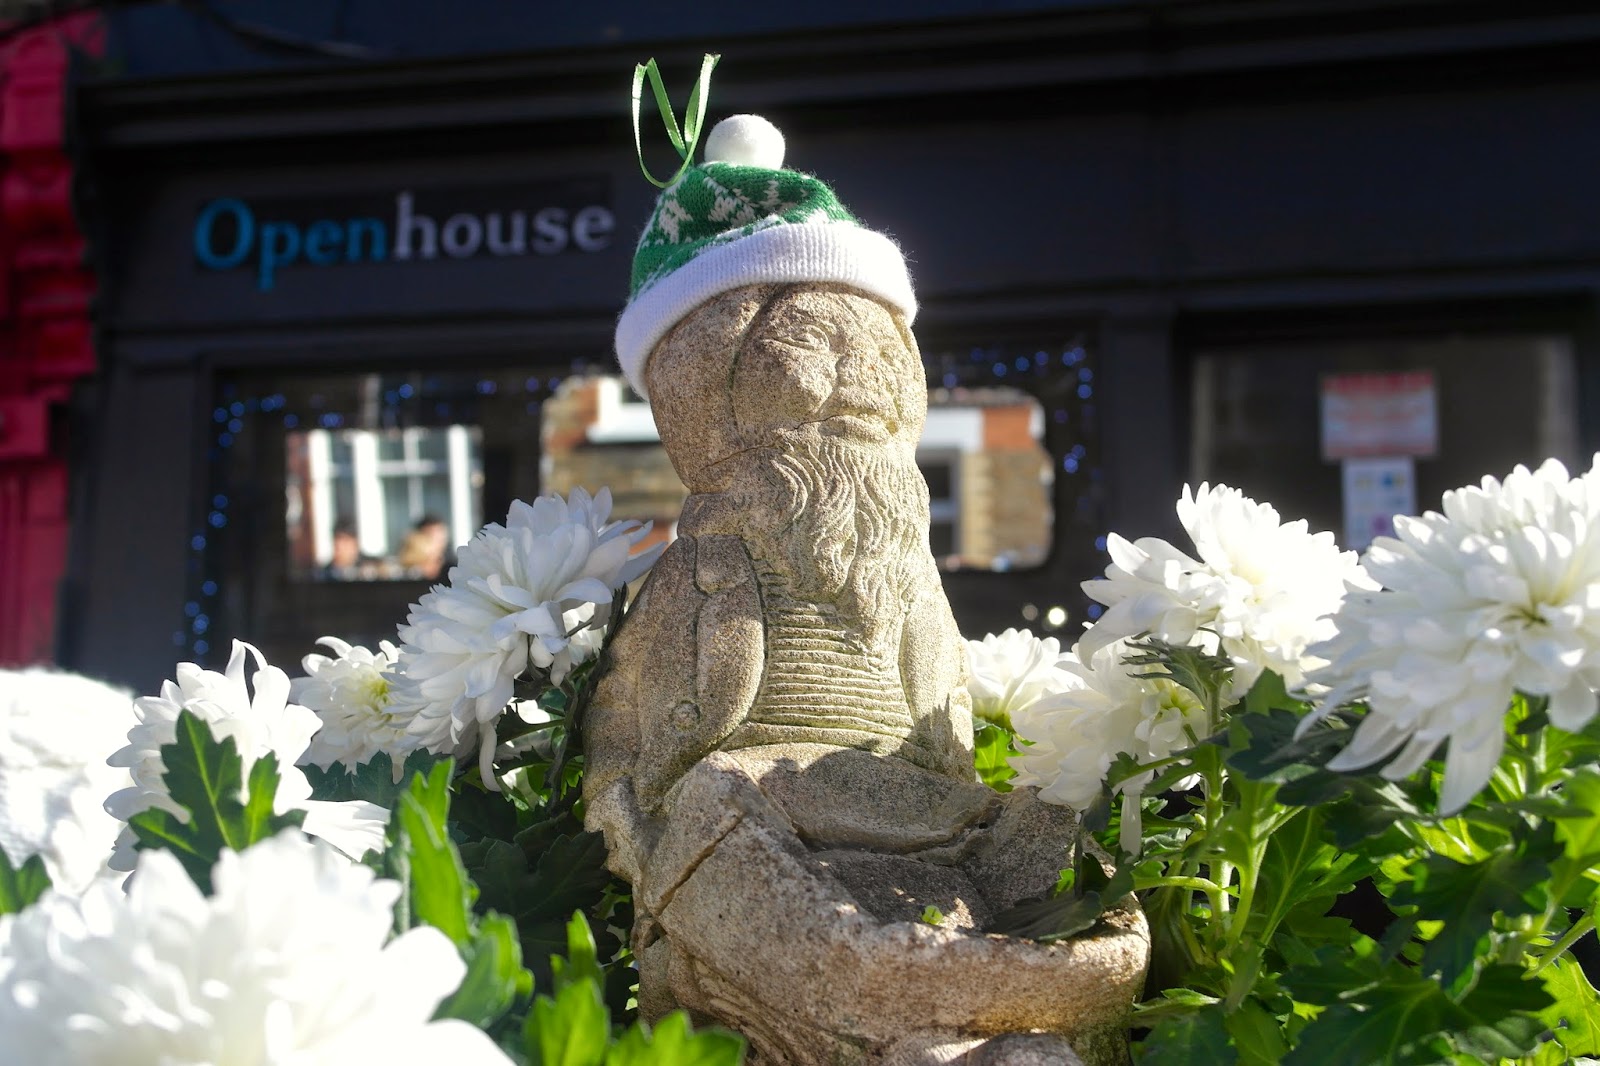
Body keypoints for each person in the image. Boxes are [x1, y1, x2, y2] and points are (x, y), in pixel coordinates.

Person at [397, 514, 451, 580]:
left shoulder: (457, 568)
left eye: (439, 537)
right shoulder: (405, 573)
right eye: (429, 536)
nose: (435, 542)